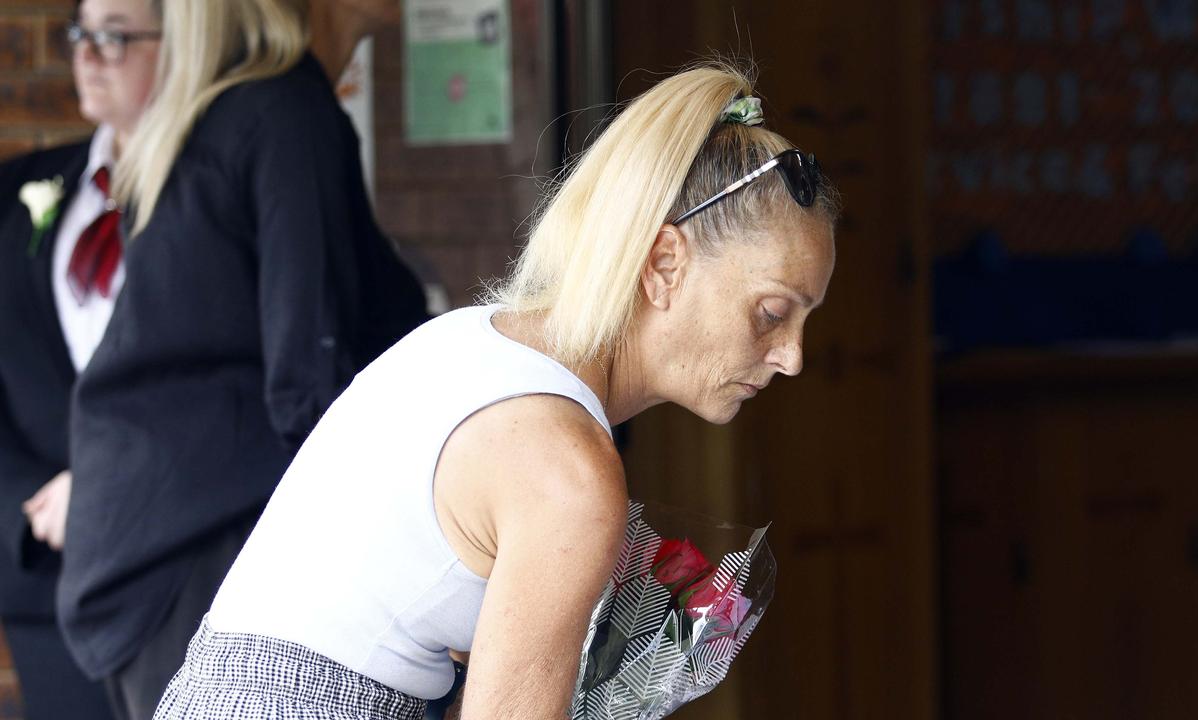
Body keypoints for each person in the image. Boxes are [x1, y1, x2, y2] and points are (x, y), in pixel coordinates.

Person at [155, 62, 840, 720]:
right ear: (664, 264)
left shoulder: (470, 342)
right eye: (772, 313)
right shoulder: (565, 468)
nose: (792, 359)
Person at [57, 0, 428, 717]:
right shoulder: (285, 114)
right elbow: (308, 384)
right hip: (197, 554)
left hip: (150, 548)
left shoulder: (228, 112)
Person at [0, 0, 160, 717]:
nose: (89, 55)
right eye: (81, 35)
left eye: (116, 35)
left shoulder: (227, 195)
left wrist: (109, 479)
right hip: (49, 590)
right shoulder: (19, 190)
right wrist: (22, 511)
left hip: (178, 576)